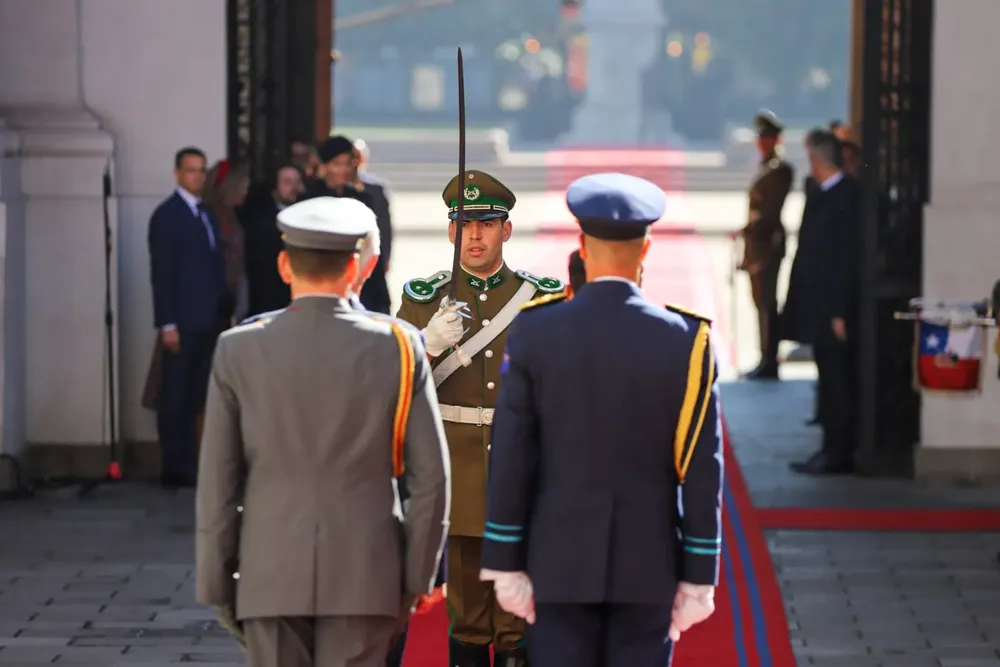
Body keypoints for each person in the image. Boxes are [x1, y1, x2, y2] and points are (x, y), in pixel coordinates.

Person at [478, 172, 721, 667]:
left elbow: (511, 453)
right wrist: (700, 573)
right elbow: (702, 468)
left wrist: (505, 559)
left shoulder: (535, 332)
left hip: (557, 561)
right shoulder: (686, 339)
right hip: (649, 564)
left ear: (583, 248)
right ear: (646, 250)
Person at [196, 196, 451, 667]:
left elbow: (218, 482)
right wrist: (418, 578)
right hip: (366, 575)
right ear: (358, 267)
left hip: (270, 573)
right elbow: (430, 480)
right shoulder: (399, 347)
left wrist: (216, 584)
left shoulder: (238, 349)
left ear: (283, 265)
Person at [395, 170, 564, 667]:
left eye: (487, 224)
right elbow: (392, 386)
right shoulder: (424, 299)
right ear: (451, 230)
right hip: (459, 470)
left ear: (505, 230)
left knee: (518, 615)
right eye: (465, 224)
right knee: (467, 616)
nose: (475, 235)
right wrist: (426, 346)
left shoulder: (540, 297)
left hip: (522, 467)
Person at [781, 130, 860, 475]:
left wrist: (839, 311)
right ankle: (829, 446)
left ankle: (839, 450)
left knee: (837, 380)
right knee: (826, 379)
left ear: (817, 160)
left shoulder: (847, 197)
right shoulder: (821, 193)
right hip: (817, 305)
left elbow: (845, 259)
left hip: (834, 308)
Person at [147, 146, 226, 487]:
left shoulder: (205, 212)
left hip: (208, 320)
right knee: (175, 395)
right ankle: (174, 465)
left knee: (195, 394)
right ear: (177, 174)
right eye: (191, 170)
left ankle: (191, 461)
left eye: (201, 170)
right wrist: (168, 323)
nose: (197, 176)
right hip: (182, 322)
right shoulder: (168, 215)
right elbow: (162, 274)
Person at [738, 110, 794, 380]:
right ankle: (764, 356)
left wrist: (751, 228)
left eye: (766, 138)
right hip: (756, 244)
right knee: (759, 302)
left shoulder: (780, 170)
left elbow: (769, 212)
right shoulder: (765, 167)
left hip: (767, 244)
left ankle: (770, 359)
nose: (761, 142)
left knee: (768, 303)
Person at [243, 163, 304, 317]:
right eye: (287, 182)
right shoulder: (262, 222)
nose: (293, 187)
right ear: (275, 187)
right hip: (272, 303)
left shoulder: (308, 219)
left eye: (297, 182)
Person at [203, 159, 251, 324]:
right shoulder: (208, 217)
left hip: (231, 297)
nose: (246, 191)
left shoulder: (233, 216)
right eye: (243, 187)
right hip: (214, 301)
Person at [353, 139, 394, 314]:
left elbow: (385, 227)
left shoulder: (376, 190)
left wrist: (386, 257)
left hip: (373, 254)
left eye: (359, 157)